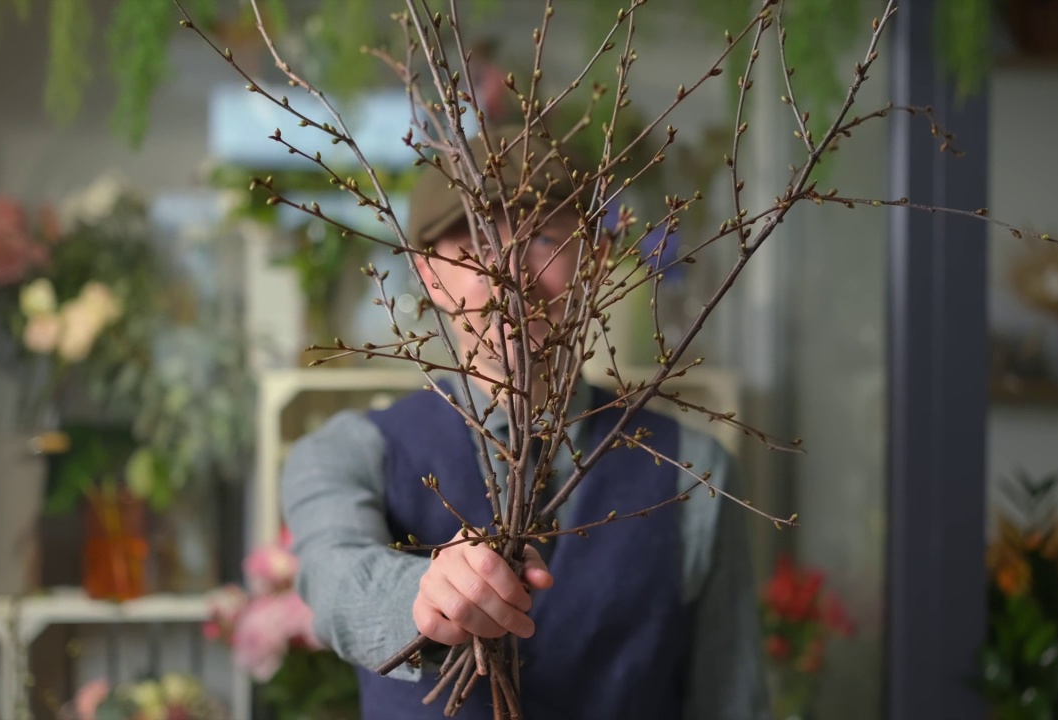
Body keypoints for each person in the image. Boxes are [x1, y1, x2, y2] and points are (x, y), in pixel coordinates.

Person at [280, 125, 771, 719]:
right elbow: (333, 575)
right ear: (429, 274)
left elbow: (730, 696)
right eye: (480, 247)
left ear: (593, 262)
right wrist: (424, 599)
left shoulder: (693, 473)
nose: (510, 279)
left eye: (543, 239)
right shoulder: (350, 452)